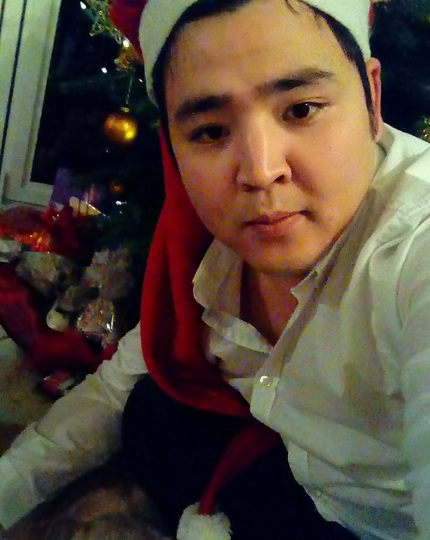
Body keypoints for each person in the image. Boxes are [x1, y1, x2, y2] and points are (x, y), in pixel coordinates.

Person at [1, 0, 430, 538]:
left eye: (301, 109)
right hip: (286, 466)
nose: (260, 172)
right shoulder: (206, 245)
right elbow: (115, 386)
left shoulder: (414, 246)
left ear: (372, 98)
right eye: (208, 131)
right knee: (150, 413)